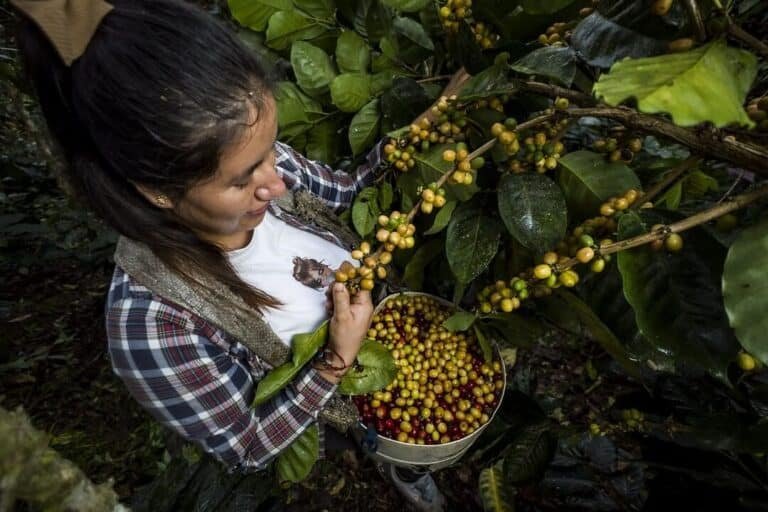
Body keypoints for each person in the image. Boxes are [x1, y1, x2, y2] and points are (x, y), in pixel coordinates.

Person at [12, 0, 463, 510]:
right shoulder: (151, 326)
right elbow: (248, 445)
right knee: (386, 436)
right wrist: (335, 364)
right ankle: (396, 462)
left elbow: (349, 190)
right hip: (343, 402)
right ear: (158, 191)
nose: (275, 180)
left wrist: (421, 135)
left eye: (271, 150)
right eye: (243, 178)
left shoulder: (253, 153)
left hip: (400, 333)